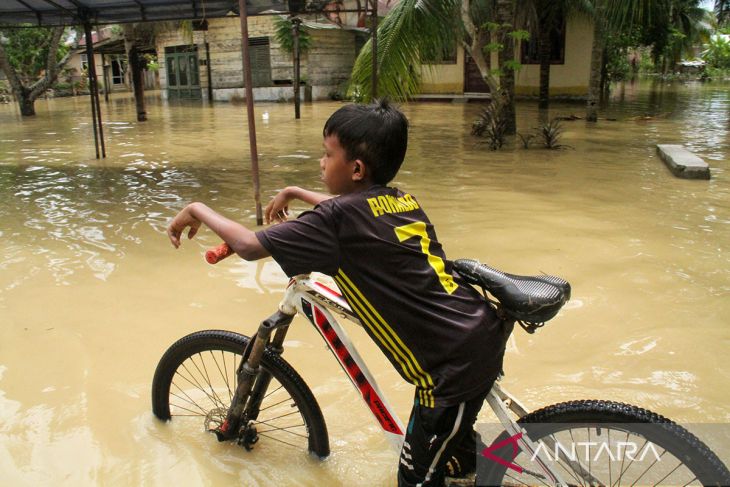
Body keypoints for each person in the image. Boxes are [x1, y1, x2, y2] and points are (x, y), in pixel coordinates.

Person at [166, 100, 507, 486]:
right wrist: (296, 191)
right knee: (455, 458)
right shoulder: (398, 198)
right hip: (476, 329)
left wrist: (196, 208)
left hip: (449, 371)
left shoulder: (336, 220)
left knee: (412, 480)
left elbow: (247, 246)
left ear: (356, 169)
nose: (321, 162)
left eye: (328, 155)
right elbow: (347, 206)